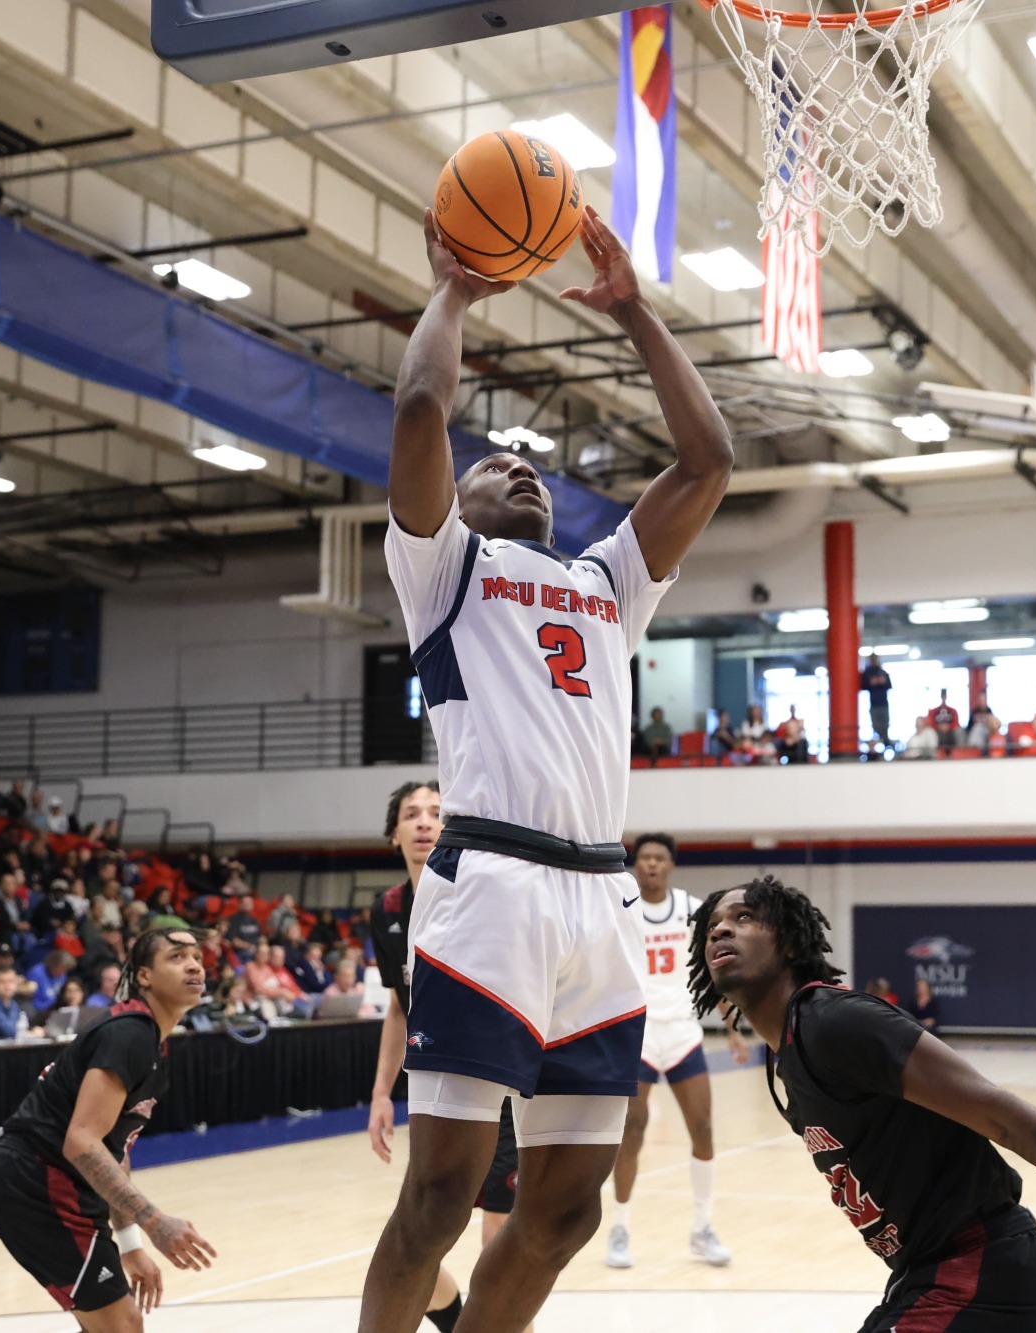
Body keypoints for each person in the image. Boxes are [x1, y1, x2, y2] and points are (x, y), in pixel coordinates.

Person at [365, 203, 731, 1333]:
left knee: (563, 1212)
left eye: (527, 464)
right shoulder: (444, 569)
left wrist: (634, 313)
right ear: (454, 504)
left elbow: (710, 458)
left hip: (599, 900)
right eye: (491, 466)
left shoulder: (602, 581)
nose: (513, 464)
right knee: (438, 1197)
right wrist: (458, 291)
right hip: (495, 889)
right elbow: (425, 405)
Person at [690, 877, 1036, 1330]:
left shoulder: (836, 1023)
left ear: (788, 942)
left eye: (743, 918)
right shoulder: (784, 1054)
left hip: (984, 1277)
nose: (722, 930)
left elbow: (1002, 1116)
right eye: (713, 924)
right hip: (929, 1276)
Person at [0, 927, 215, 1326]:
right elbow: (82, 1143)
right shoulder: (129, 1035)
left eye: (197, 957)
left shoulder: (149, 1042)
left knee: (111, 1324)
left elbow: (113, 1152)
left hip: (55, 1184)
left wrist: (129, 1243)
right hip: (36, 1182)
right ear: (144, 976)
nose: (194, 965)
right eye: (176, 957)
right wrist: (155, 1222)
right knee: (123, 1324)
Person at [366, 780, 516, 1333]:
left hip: (499, 1086)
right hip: (435, 1095)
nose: (425, 821)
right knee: (417, 1247)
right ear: (394, 834)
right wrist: (382, 1093)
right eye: (412, 813)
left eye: (436, 811)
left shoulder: (477, 894)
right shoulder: (385, 911)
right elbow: (398, 1010)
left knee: (499, 1257)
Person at [606, 833, 744, 1270]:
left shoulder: (691, 908)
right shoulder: (621, 907)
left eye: (658, 858)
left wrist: (733, 1028)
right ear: (637, 865)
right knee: (633, 1130)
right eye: (644, 857)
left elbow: (713, 969)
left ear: (670, 865)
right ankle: (620, 1227)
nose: (650, 864)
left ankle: (702, 1228)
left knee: (702, 1127)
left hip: (683, 1031)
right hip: (639, 1034)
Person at [861, 654, 893, 756]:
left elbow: (889, 685)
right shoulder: (867, 673)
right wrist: (872, 683)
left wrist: (882, 682)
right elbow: (863, 686)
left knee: (885, 724)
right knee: (876, 726)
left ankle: (885, 741)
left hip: (883, 704)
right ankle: (879, 746)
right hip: (874, 704)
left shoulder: (882, 672)